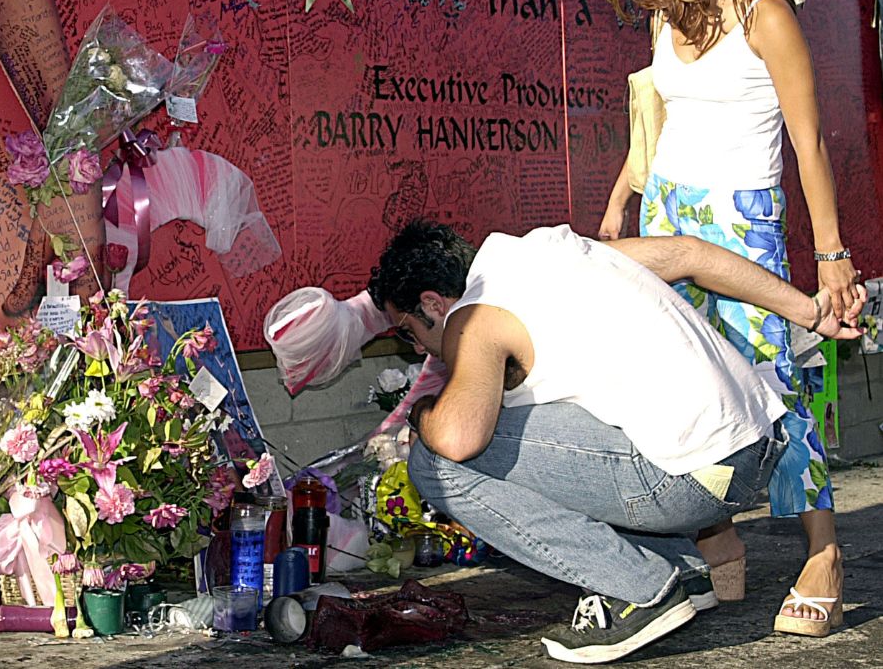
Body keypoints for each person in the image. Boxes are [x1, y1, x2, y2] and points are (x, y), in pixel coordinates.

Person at [367, 221, 864, 663]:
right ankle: (681, 570)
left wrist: (420, 413)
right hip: (753, 453)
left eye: (409, 332)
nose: (417, 348)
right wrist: (810, 312)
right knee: (548, 413)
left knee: (436, 460)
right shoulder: (554, 250)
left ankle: (637, 592)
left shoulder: (471, 316)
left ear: (433, 302)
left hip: (689, 484)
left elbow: (456, 438)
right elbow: (690, 253)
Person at [591, 0, 857, 637]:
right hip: (666, 209)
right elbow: (656, 120)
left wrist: (831, 254)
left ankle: (824, 551)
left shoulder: (763, 14)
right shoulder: (665, 17)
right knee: (675, 384)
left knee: (771, 387)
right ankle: (717, 539)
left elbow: (808, 143)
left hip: (740, 220)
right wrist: (621, 198)